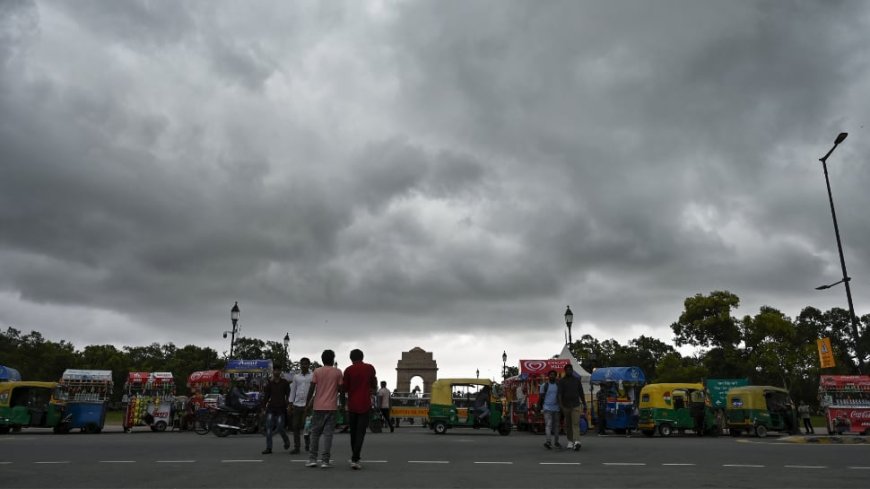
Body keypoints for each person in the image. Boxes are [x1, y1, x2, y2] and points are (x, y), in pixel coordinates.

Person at [306, 349, 343, 469]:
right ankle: (325, 461)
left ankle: (312, 459)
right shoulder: (338, 372)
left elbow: (312, 388)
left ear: (322, 359)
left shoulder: (317, 371)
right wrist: (342, 404)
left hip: (317, 407)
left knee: (315, 434)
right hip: (331, 407)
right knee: (328, 435)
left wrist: (307, 403)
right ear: (332, 359)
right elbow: (341, 390)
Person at [343, 349, 378, 470]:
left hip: (352, 405)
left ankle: (355, 457)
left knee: (353, 432)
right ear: (362, 357)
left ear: (351, 358)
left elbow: (345, 388)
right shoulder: (370, 368)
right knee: (360, 433)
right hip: (365, 404)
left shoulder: (348, 370)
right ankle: (355, 458)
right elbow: (374, 383)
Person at [261, 367, 291, 454]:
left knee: (280, 427)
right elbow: (266, 397)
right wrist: (263, 408)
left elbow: (289, 395)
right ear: (273, 371)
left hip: (281, 408)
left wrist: (289, 404)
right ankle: (269, 448)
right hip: (271, 408)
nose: (276, 371)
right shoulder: (269, 384)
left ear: (280, 371)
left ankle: (286, 440)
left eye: (278, 370)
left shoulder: (284, 383)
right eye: (275, 370)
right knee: (269, 428)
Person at [558, 364, 586, 451]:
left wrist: (584, 403)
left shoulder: (577, 380)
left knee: (576, 423)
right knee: (568, 425)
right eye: (567, 369)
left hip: (575, 405)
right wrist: (561, 405)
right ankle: (570, 441)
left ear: (572, 370)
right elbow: (559, 394)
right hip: (566, 406)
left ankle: (577, 441)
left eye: (570, 369)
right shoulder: (562, 381)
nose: (569, 370)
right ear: (565, 371)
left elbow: (581, 393)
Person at [289, 357, 313, 454]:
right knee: (295, 426)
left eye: (306, 364)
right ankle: (297, 447)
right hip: (297, 404)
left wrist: (312, 402)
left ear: (308, 365)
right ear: (300, 365)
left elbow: (315, 390)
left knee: (306, 426)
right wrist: (290, 403)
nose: (304, 366)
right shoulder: (296, 377)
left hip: (308, 405)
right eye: (302, 364)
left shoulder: (313, 375)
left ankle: (307, 443)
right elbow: (293, 390)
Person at [539, 370, 561, 449]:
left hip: (557, 408)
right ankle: (548, 441)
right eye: (550, 375)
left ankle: (556, 441)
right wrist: (539, 407)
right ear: (548, 376)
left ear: (556, 376)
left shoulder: (558, 385)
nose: (552, 376)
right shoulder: (544, 386)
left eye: (553, 375)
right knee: (548, 425)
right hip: (547, 408)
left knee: (556, 426)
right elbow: (540, 398)